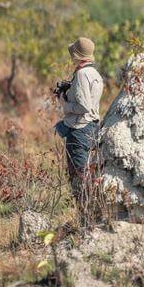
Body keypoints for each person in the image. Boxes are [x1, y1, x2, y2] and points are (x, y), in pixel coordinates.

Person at [54, 37, 104, 203]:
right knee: (87, 173)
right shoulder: (95, 74)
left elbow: (84, 106)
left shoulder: (82, 74)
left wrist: (64, 103)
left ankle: (85, 215)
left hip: (80, 130)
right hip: (92, 127)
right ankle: (90, 210)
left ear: (77, 55)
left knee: (79, 177)